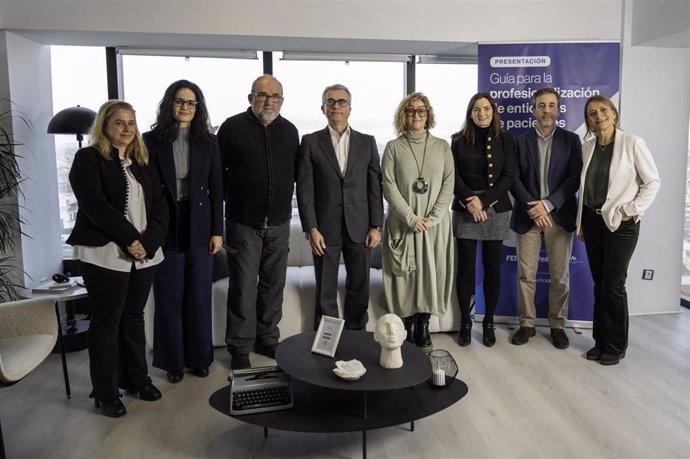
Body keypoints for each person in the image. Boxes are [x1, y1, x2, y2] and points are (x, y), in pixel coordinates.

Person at [67, 100, 168, 417]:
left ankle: (137, 379)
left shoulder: (142, 161)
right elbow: (96, 207)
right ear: (104, 126)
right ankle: (106, 391)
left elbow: (160, 207)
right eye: (119, 123)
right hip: (104, 253)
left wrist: (147, 243)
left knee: (133, 317)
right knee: (107, 322)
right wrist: (132, 240)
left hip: (143, 254)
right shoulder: (88, 158)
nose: (127, 128)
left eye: (131, 122)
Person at [143, 80, 223, 384]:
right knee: (168, 294)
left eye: (191, 103)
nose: (185, 108)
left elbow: (217, 188)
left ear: (198, 108)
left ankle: (200, 359)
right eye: (180, 101)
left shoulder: (209, 141)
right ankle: (172, 362)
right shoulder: (152, 140)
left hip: (200, 223)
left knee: (199, 294)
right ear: (169, 104)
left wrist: (218, 230)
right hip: (165, 222)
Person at [217, 75, 299, 370]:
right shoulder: (231, 128)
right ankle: (239, 348)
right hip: (242, 224)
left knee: (273, 286)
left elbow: (294, 175)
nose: (268, 101)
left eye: (274, 96)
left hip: (279, 223)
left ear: (281, 100)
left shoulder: (290, 131)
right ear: (250, 98)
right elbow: (217, 178)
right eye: (262, 95)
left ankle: (267, 338)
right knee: (242, 288)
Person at [576, 95, 660, 365]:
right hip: (592, 221)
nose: (598, 116)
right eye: (592, 113)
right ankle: (600, 341)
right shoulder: (587, 147)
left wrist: (630, 211)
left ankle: (615, 345)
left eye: (603, 110)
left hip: (621, 224)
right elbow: (585, 190)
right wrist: (581, 223)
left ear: (614, 113)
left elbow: (652, 182)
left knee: (613, 285)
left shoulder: (632, 143)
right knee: (599, 283)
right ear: (587, 119)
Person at [296, 84, 384, 331]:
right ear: (323, 108)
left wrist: (376, 225)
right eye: (330, 101)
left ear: (350, 108)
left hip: (360, 226)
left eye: (341, 102)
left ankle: (356, 337)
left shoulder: (367, 142)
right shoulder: (311, 142)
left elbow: (375, 187)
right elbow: (305, 190)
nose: (336, 106)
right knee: (325, 288)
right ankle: (327, 343)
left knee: (359, 286)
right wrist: (311, 228)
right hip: (324, 229)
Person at [510, 88, 583, 349]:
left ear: (559, 109)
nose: (547, 111)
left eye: (552, 105)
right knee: (525, 275)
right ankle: (526, 324)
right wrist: (534, 207)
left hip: (558, 217)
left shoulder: (571, 141)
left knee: (559, 277)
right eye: (541, 106)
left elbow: (574, 178)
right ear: (533, 110)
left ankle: (557, 325)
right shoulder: (519, 141)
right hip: (528, 216)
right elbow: (513, 178)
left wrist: (549, 204)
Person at [381, 92, 454, 349]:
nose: (416, 115)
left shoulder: (442, 147)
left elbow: (448, 185)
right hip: (404, 223)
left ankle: (424, 326)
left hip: (434, 227)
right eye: (411, 110)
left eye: (422, 111)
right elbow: (389, 186)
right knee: (405, 276)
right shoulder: (392, 148)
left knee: (431, 273)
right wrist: (411, 218)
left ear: (429, 114)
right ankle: (407, 325)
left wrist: (432, 219)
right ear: (403, 114)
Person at [451, 92, 515, 347]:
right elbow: (452, 176)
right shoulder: (457, 140)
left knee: (492, 269)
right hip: (466, 209)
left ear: (493, 111)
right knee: (465, 270)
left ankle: (488, 321)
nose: (482, 114)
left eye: (486, 109)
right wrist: (470, 200)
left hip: (496, 209)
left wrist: (484, 201)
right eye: (476, 110)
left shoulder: (506, 140)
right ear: (470, 113)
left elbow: (509, 176)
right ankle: (465, 322)